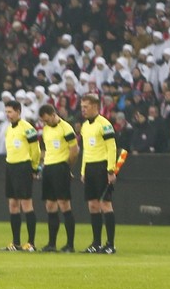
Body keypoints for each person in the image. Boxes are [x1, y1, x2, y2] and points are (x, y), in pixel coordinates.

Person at [78, 93, 119, 254]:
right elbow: (86, 151)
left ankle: (110, 244)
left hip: (102, 167)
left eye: (86, 107)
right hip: (90, 168)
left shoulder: (105, 124)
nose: (83, 110)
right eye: (82, 107)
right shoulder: (84, 126)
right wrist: (83, 171)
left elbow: (112, 148)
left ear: (95, 106)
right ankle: (96, 243)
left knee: (105, 204)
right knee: (92, 205)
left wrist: (111, 170)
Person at [36, 103, 78, 252]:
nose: (45, 123)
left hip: (61, 167)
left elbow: (74, 150)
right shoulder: (46, 129)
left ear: (53, 114)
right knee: (50, 205)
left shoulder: (66, 128)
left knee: (64, 204)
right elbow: (45, 149)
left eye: (47, 119)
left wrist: (67, 167)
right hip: (48, 167)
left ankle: (70, 244)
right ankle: (51, 244)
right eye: (43, 121)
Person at [0, 100, 41, 252]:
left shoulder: (28, 128)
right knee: (13, 204)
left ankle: (31, 242)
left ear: (18, 111)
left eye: (10, 112)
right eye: (6, 112)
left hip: (23, 166)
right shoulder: (8, 129)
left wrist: (35, 167)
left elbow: (35, 150)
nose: (7, 115)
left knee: (26, 204)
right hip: (10, 166)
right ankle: (16, 242)